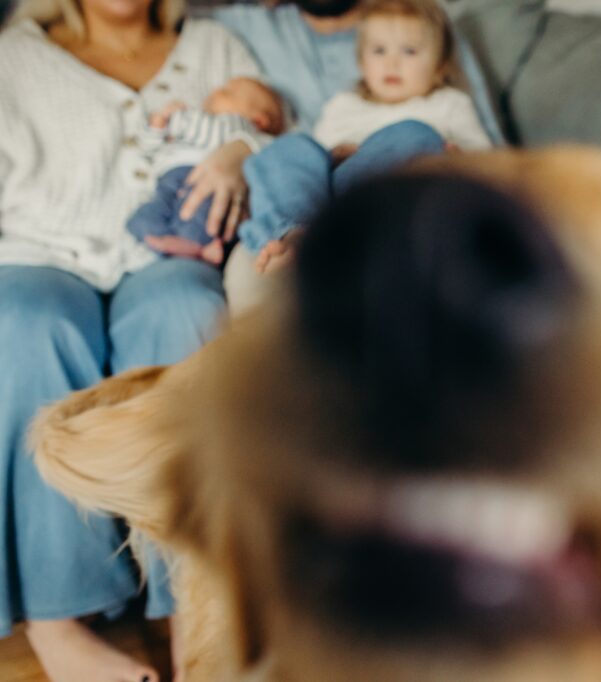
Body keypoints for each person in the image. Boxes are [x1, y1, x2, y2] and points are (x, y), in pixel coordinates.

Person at [0, 0, 263, 677]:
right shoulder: (16, 53)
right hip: (38, 252)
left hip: (170, 254)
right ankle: (57, 622)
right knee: (27, 323)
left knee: (181, 317)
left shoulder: (212, 44)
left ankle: (191, 613)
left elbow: (267, 129)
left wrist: (237, 156)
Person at [199, 0, 504, 314]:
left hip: (387, 197)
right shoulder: (344, 105)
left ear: (440, 67)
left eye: (409, 52)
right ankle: (292, 234)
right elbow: (312, 159)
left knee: (414, 134)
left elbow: (490, 160)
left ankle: (344, 236)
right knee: (289, 147)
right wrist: (336, 155)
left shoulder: (448, 104)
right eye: (379, 52)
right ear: (361, 61)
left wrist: (456, 159)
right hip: (327, 195)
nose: (392, 64)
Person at [128, 77, 285, 265]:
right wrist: (156, 126)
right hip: (167, 181)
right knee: (141, 218)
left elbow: (271, 147)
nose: (216, 91)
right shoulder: (197, 118)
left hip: (203, 178)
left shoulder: (237, 126)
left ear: (258, 120)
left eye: (227, 93)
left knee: (200, 216)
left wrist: (178, 120)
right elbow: (147, 149)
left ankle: (197, 247)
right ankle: (176, 245)